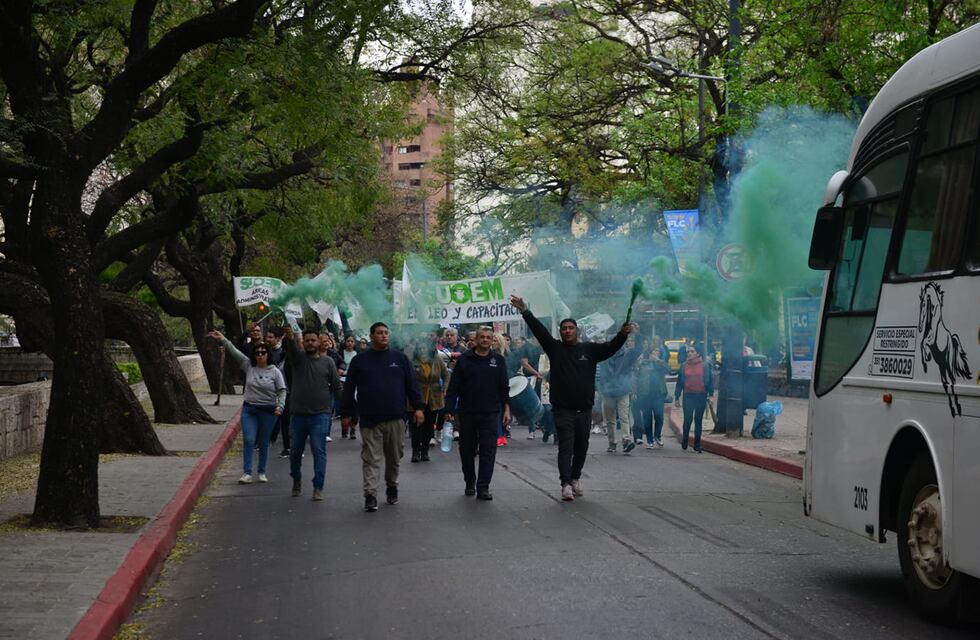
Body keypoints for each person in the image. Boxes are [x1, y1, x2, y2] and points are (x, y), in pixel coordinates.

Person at [510, 295, 630, 501]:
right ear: (560, 332)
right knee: (566, 446)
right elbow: (539, 331)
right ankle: (565, 483)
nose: (567, 331)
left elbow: (611, 348)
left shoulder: (589, 350)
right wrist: (525, 311)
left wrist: (623, 334)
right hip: (563, 410)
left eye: (570, 328)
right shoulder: (554, 348)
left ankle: (575, 478)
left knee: (582, 447)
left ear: (577, 331)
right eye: (564, 328)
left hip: (584, 410)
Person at [342, 322, 424, 512]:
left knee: (394, 457)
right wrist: (347, 413)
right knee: (371, 458)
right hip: (370, 419)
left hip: (396, 418)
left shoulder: (400, 359)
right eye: (379, 333)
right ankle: (370, 495)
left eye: (386, 332)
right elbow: (349, 389)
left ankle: (392, 486)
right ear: (371, 336)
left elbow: (412, 385)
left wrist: (419, 408)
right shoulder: (360, 361)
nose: (384, 335)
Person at [207, 330, 285, 485]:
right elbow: (234, 352)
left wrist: (280, 406)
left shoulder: (275, 372)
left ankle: (261, 471)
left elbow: (282, 390)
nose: (260, 355)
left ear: (268, 354)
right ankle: (247, 472)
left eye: (263, 352)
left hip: (268, 411)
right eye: (257, 353)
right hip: (250, 409)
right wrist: (223, 339)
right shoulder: (248, 366)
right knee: (249, 439)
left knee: (263, 442)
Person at [444, 326, 511, 500]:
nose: (485, 340)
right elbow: (454, 386)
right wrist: (449, 409)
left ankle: (483, 487)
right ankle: (469, 481)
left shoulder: (498, 360)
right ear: (476, 339)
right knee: (467, 450)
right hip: (467, 412)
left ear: (492, 340)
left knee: (488, 450)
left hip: (490, 413)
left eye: (488, 337)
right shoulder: (465, 359)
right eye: (482, 337)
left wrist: (507, 408)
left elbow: (504, 386)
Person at [282, 325, 343, 501]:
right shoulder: (297, 359)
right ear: (303, 342)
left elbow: (337, 387)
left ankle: (318, 486)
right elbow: (291, 350)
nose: (310, 343)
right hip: (298, 415)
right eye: (306, 340)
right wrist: (290, 338)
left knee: (319, 451)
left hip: (320, 415)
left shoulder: (328, 362)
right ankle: (296, 479)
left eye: (313, 340)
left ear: (319, 342)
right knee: (295, 453)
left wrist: (346, 408)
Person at [599, 327, 643, 454]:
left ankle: (626, 441)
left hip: (622, 391)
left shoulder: (627, 354)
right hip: (608, 392)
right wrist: (601, 387)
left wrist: (637, 334)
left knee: (624, 417)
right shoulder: (604, 354)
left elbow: (639, 349)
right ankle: (612, 442)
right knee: (610, 420)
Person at [411, 336, 449, 463]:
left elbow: (446, 375)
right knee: (416, 426)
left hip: (434, 397)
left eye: (425, 348)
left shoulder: (437, 359)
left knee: (428, 426)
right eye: (420, 349)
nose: (422, 351)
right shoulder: (412, 362)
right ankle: (415, 451)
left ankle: (425, 451)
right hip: (417, 397)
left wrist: (445, 388)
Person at [674, 342, 714, 453]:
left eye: (692, 351)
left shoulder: (705, 365)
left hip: (701, 395)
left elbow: (710, 381)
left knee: (698, 420)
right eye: (688, 352)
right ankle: (685, 440)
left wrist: (711, 395)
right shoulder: (683, 366)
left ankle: (697, 444)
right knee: (687, 420)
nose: (689, 353)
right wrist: (677, 397)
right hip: (688, 396)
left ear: (698, 353)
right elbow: (679, 383)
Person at [634, 337, 669, 448]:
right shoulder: (643, 364)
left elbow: (668, 369)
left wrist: (658, 360)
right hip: (645, 394)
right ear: (649, 354)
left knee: (659, 416)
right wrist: (635, 391)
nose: (655, 353)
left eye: (657, 351)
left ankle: (657, 435)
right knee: (647, 417)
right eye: (654, 352)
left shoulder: (661, 363)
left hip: (658, 394)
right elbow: (636, 378)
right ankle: (650, 440)